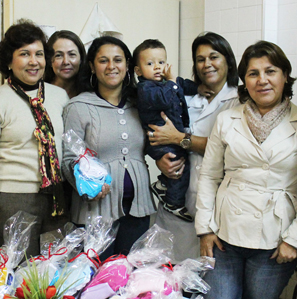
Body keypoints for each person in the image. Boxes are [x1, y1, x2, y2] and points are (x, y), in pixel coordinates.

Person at [195, 40, 297, 299]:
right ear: (244, 80)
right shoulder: (227, 118)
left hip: (275, 238)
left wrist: (295, 239)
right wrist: (204, 228)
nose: (262, 80)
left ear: (284, 76)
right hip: (223, 234)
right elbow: (209, 175)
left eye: (270, 71)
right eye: (253, 73)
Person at [0, 19, 70, 257]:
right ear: (9, 61)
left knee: (55, 273)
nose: (33, 61)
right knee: (20, 275)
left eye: (39, 54)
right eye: (24, 54)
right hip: (13, 201)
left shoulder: (59, 96)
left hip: (58, 198)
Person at [148, 32, 240, 262]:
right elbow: (154, 130)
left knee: (210, 278)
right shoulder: (186, 97)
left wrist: (179, 138)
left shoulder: (240, 100)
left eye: (214, 57)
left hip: (219, 203)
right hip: (179, 197)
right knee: (170, 272)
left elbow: (229, 149)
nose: (207, 64)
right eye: (200, 59)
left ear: (228, 61)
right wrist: (160, 158)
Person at [62, 36, 156, 257]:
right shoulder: (78, 106)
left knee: (132, 280)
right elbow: (67, 160)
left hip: (137, 210)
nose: (112, 66)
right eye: (103, 60)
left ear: (128, 66)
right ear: (93, 67)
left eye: (118, 60)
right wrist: (86, 186)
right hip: (94, 213)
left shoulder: (141, 104)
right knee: (97, 284)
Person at [133, 39, 209, 221]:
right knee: (179, 166)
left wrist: (198, 88)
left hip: (171, 137)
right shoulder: (145, 88)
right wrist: (173, 82)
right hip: (159, 139)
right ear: (138, 70)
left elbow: (183, 83)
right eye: (150, 64)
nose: (157, 67)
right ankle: (173, 203)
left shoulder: (167, 82)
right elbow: (166, 98)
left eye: (161, 62)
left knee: (181, 165)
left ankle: (162, 185)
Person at [44, 30, 86, 98]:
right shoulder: (39, 93)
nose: (66, 62)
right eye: (58, 55)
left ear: (81, 58)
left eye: (72, 54)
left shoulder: (89, 94)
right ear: (49, 60)